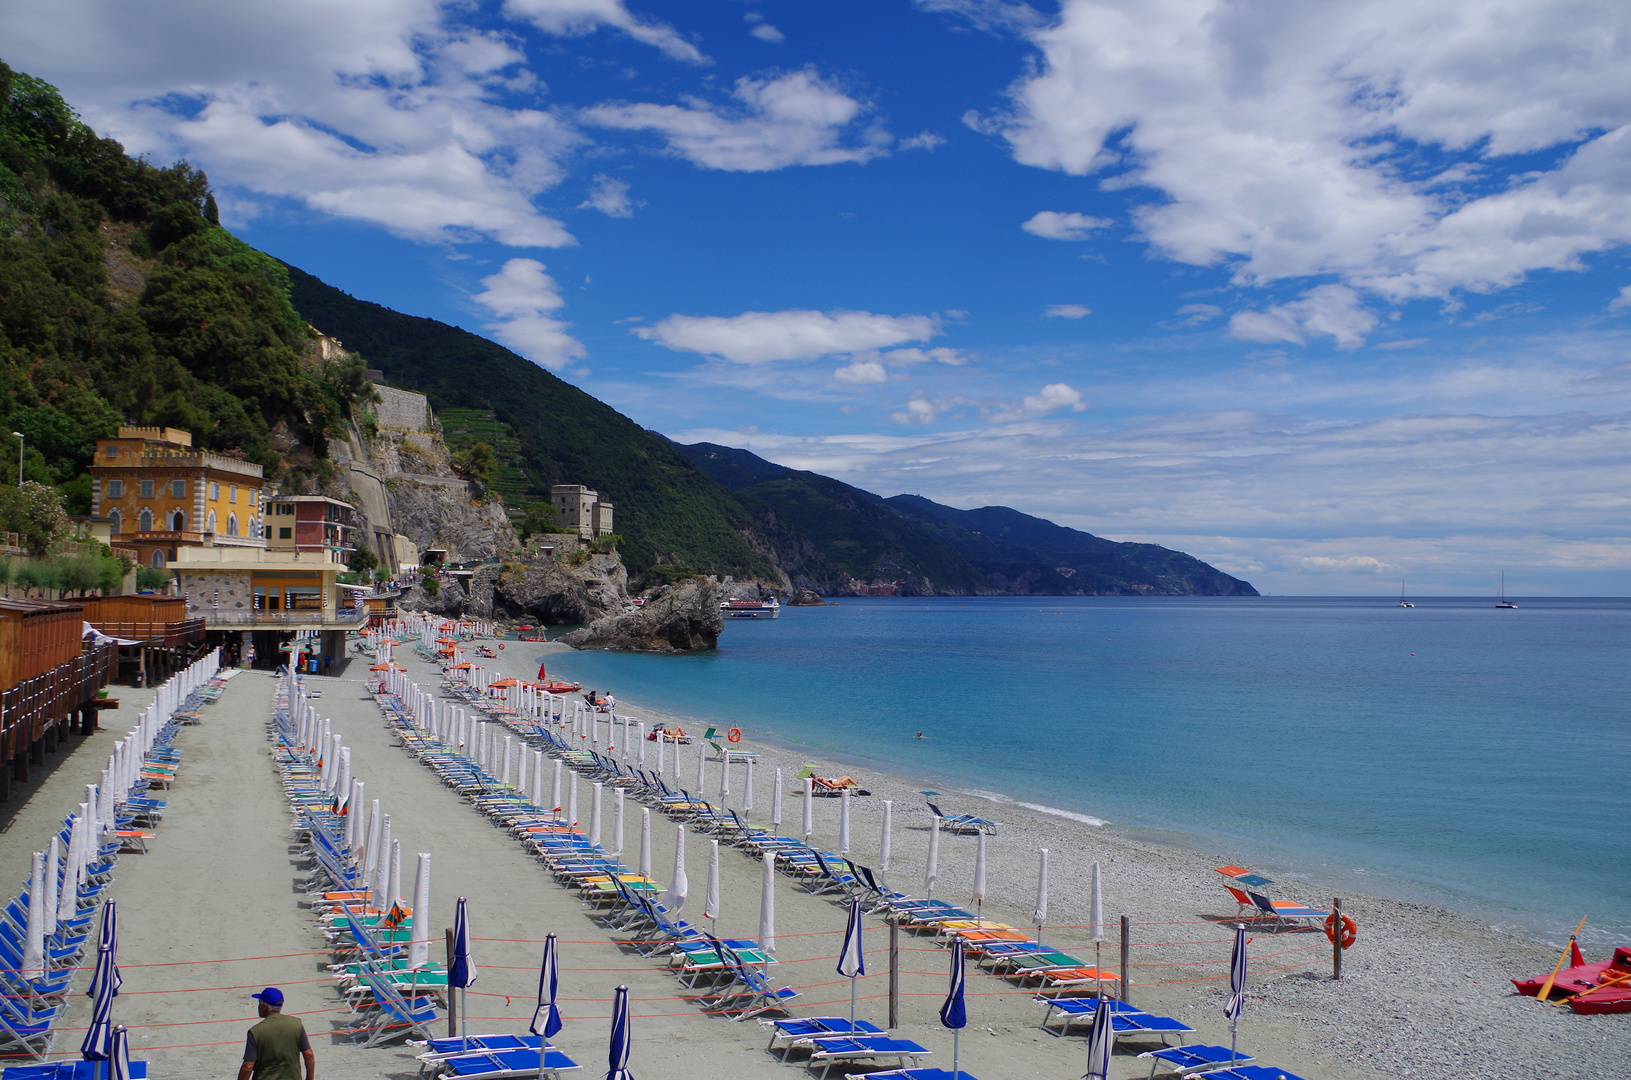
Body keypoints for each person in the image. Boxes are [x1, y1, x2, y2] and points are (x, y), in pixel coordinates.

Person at [238, 988, 313, 1080]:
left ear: (265, 1006)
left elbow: (248, 1067)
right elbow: (308, 1054)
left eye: (259, 1003)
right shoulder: (296, 1024)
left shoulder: (255, 1032)